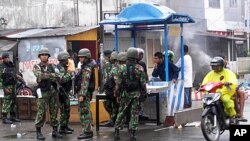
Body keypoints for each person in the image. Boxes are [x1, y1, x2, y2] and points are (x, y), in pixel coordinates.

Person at [114, 47, 147, 141]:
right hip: (136, 95)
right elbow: (143, 83)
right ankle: (132, 134)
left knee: (121, 112)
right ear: (136, 57)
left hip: (125, 94)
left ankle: (117, 132)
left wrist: (116, 94)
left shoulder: (122, 68)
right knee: (134, 114)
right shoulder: (140, 68)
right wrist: (144, 94)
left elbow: (118, 83)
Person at [33, 48, 63, 140]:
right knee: (41, 112)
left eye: (46, 55)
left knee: (54, 111)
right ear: (39, 57)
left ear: (48, 56)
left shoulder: (53, 66)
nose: (44, 56)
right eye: (42, 55)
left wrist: (48, 75)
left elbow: (60, 76)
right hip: (42, 92)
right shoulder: (36, 66)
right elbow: (40, 76)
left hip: (53, 92)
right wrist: (51, 75)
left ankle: (55, 131)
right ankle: (38, 132)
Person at [77, 48, 95, 140]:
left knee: (85, 112)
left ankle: (87, 132)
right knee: (84, 112)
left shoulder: (87, 67)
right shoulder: (86, 66)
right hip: (84, 93)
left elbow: (85, 82)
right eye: (79, 57)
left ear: (87, 57)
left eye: (82, 57)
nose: (80, 59)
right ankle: (87, 130)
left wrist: (82, 95)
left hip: (84, 93)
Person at [0, 53, 21, 124]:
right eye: (6, 58)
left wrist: (17, 76)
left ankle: (13, 116)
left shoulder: (11, 65)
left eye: (8, 57)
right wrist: (4, 88)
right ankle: (4, 118)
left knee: (13, 101)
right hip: (7, 86)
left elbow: (13, 73)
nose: (7, 59)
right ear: (3, 59)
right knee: (7, 101)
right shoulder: (1, 67)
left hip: (13, 85)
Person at [56, 51, 74, 134]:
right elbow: (62, 80)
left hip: (65, 91)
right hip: (62, 93)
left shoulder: (63, 67)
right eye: (67, 59)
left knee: (67, 109)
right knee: (64, 110)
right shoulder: (60, 68)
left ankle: (65, 126)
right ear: (63, 59)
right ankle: (62, 127)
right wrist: (70, 74)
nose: (68, 60)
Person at [103, 51, 118, 127]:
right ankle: (113, 118)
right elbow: (106, 77)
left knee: (115, 105)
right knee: (107, 104)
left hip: (115, 89)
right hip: (109, 88)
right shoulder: (108, 65)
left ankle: (114, 119)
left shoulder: (117, 67)